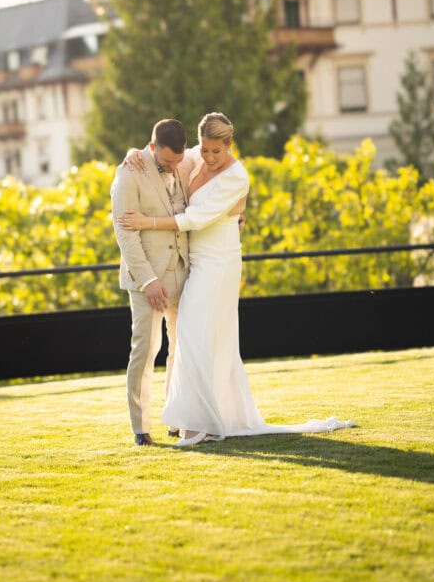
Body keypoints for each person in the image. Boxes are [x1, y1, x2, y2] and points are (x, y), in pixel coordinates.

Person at [119, 112, 355, 447]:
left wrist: (146, 222)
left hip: (218, 263)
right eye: (205, 150)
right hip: (194, 263)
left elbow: (196, 218)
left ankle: (200, 421)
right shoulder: (192, 159)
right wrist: (133, 153)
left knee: (195, 336)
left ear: (230, 144)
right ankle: (193, 417)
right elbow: (156, 151)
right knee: (192, 339)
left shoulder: (236, 176)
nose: (210, 158)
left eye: (217, 151)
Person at [110, 119, 192, 446]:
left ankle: (175, 416)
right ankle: (141, 429)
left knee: (180, 348)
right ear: (153, 146)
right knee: (146, 350)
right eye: (168, 161)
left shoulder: (182, 163)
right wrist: (148, 281)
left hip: (183, 271)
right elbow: (125, 234)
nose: (174, 167)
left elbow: (220, 161)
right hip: (147, 278)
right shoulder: (128, 173)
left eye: (178, 161)